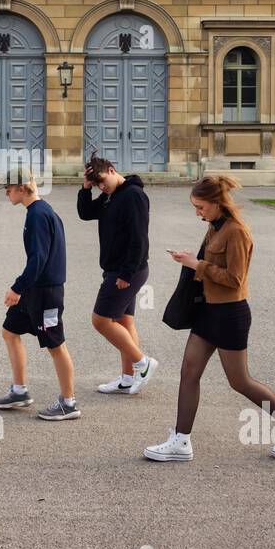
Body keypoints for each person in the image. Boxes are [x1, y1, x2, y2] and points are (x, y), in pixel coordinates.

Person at [144, 175, 275, 462]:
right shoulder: (214, 226)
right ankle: (181, 441)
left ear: (216, 203)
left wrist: (198, 264)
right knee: (189, 371)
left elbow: (235, 279)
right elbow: (211, 266)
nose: (197, 212)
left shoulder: (236, 232)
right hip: (208, 311)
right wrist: (191, 260)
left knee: (240, 381)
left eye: (200, 207)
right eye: (195, 207)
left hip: (230, 313)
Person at [0, 170, 79, 421]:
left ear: (21, 188)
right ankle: (19, 391)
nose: (7, 193)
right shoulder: (40, 211)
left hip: (45, 292)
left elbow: (38, 259)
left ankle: (69, 403)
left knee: (55, 344)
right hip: (35, 290)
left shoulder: (39, 215)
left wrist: (17, 288)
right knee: (9, 331)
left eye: (9, 188)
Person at [76, 153, 159, 395]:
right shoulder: (109, 195)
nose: (102, 186)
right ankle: (127, 378)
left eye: (102, 180)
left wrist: (126, 274)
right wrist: (86, 187)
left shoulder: (133, 195)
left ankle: (142, 363)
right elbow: (85, 213)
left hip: (126, 270)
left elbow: (139, 239)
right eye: (97, 184)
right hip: (118, 269)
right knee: (124, 321)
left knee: (100, 320)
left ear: (112, 170)